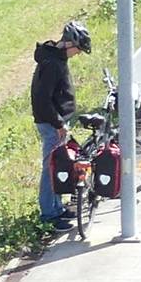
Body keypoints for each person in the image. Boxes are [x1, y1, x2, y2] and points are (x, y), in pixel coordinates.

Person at [31, 20, 91, 230]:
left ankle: (56, 207)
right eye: (78, 49)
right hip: (51, 124)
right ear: (67, 44)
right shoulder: (52, 64)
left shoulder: (55, 58)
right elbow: (42, 99)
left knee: (57, 167)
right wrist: (58, 123)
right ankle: (49, 214)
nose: (78, 53)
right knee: (50, 168)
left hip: (56, 122)